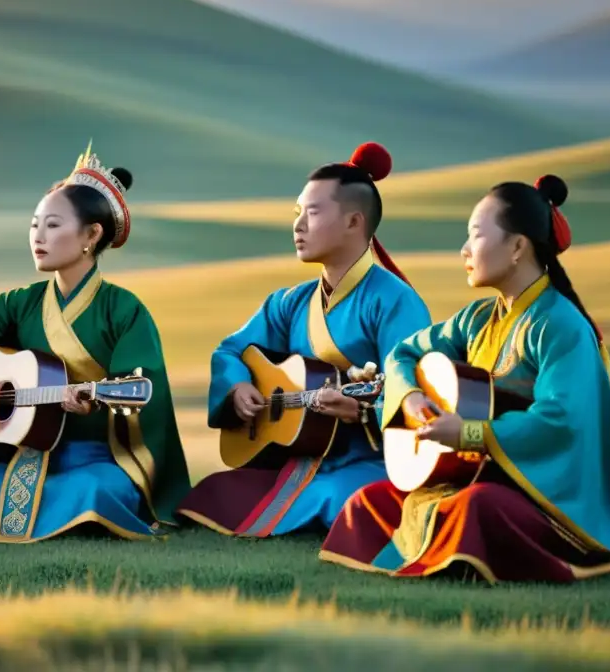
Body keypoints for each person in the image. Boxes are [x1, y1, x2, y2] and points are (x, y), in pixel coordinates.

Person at [319, 174, 610, 583]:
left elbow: (562, 419)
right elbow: (402, 354)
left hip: (551, 494)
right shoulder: (477, 319)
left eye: (475, 235)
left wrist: (470, 434)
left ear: (517, 247)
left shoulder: (560, 325)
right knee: (368, 501)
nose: (464, 250)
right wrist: (410, 398)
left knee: (479, 509)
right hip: (476, 476)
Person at [0, 143, 191, 542]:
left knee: (95, 491)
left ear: (91, 234)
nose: (38, 236)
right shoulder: (22, 302)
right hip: (21, 452)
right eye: (35, 224)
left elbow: (144, 393)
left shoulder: (124, 310)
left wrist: (92, 405)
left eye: (52, 225)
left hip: (95, 458)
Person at [175, 143, 432, 537]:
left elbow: (414, 387)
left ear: (353, 222)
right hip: (298, 458)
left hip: (368, 461)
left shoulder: (396, 301)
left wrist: (363, 411)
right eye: (297, 213)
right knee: (211, 493)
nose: (298, 225)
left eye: (312, 213)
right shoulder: (290, 302)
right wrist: (238, 385)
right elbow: (231, 350)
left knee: (345, 497)